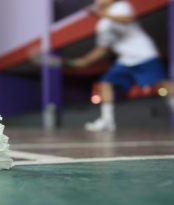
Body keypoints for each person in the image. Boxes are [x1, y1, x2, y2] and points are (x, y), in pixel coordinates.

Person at [69, 0, 174, 131]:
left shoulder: (121, 6)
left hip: (144, 53)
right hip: (125, 59)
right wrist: (86, 60)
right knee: (106, 83)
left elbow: (128, 19)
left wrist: (102, 14)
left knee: (164, 83)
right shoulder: (102, 25)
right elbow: (103, 49)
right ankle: (108, 122)